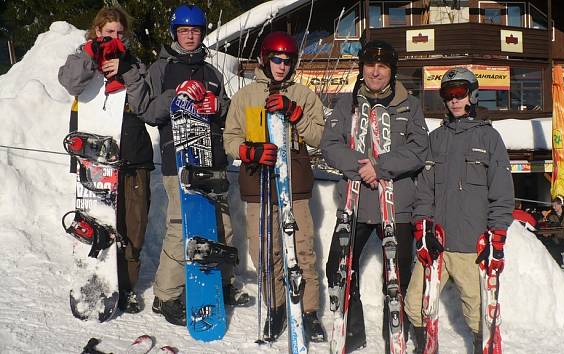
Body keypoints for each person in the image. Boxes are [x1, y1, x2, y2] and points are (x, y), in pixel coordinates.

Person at [136, 4, 249, 326]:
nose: (189, 36)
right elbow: (148, 112)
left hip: (213, 159)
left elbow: (227, 111)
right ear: (175, 33)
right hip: (180, 161)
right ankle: (166, 294)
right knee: (180, 227)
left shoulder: (211, 72)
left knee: (223, 225)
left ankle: (221, 284)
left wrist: (218, 106)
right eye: (184, 31)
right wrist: (176, 95)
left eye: (195, 31)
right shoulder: (161, 69)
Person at [321, 40, 429, 351]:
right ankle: (352, 333)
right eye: (370, 66)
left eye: (382, 66)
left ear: (392, 70)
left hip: (398, 206)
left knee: (397, 278)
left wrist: (380, 167)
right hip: (356, 203)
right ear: (362, 68)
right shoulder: (347, 104)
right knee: (338, 268)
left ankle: (393, 337)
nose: (376, 72)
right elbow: (330, 144)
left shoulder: (410, 105)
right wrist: (361, 167)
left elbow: (418, 149)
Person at [223, 31, 326, 342]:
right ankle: (277, 307)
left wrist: (295, 115)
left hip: (294, 184)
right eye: (276, 60)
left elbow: (318, 136)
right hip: (259, 183)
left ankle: (309, 312)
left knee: (303, 251)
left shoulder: (305, 95)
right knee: (266, 253)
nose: (282, 66)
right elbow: (230, 139)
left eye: (287, 61)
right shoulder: (245, 97)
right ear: (264, 60)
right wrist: (249, 151)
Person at [403, 67, 514, 353]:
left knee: (479, 316)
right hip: (437, 244)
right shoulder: (435, 139)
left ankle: (484, 348)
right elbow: (425, 189)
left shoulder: (490, 139)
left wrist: (497, 236)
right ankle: (425, 347)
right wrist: (422, 227)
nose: (453, 100)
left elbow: (502, 193)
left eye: (459, 93)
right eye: (447, 95)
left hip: (471, 245)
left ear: (472, 95)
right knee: (415, 306)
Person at [58, 6, 154, 314]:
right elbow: (71, 83)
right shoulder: (82, 56)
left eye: (119, 33)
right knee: (96, 219)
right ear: (97, 31)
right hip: (95, 157)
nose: (114, 37)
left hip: (133, 155)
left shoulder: (135, 64)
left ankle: (125, 285)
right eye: (108, 32)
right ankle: (90, 276)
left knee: (132, 225)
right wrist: (91, 54)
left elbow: (144, 107)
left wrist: (126, 70)